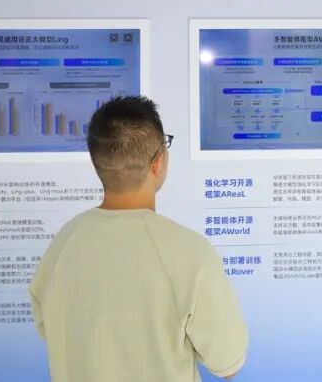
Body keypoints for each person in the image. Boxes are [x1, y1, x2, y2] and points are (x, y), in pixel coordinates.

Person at [29, 95, 249, 381]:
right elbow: (228, 363)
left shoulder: (62, 244)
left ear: (97, 162)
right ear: (158, 163)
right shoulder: (190, 253)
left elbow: (51, 330)